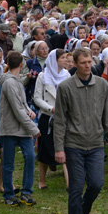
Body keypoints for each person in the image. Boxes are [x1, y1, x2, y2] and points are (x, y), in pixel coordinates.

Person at [53, 47, 108, 214]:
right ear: (74, 64)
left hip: (96, 143)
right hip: (74, 143)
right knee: (75, 187)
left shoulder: (102, 85)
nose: (88, 66)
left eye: (90, 62)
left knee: (97, 184)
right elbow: (59, 120)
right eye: (83, 63)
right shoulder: (65, 87)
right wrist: (59, 148)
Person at [0, 51, 40, 207]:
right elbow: (16, 109)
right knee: (9, 162)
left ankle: (26, 192)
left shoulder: (18, 81)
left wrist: (29, 111)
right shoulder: (9, 83)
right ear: (21, 65)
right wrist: (34, 129)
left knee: (30, 156)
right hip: (10, 128)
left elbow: (22, 104)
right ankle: (9, 194)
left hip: (22, 128)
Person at [33, 49, 71, 190]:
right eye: (63, 58)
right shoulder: (43, 76)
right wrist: (51, 109)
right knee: (44, 149)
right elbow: (37, 98)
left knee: (66, 147)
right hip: (47, 117)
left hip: (64, 117)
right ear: (54, 60)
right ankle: (42, 180)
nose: (66, 60)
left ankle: (69, 182)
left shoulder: (67, 75)